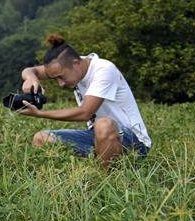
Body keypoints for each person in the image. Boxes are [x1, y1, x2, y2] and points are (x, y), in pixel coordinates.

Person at [18, 35, 152, 167]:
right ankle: (91, 167)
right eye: (55, 79)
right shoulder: (68, 64)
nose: (60, 83)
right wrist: (31, 78)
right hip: (97, 135)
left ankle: (105, 177)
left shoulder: (104, 69)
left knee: (103, 124)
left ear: (76, 64)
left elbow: (85, 113)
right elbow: (30, 70)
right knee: (41, 138)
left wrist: (39, 114)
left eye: (61, 77)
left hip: (134, 142)